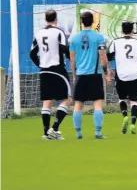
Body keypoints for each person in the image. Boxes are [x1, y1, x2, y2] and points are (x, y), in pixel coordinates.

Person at [29, 9, 72, 140]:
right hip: (57, 70)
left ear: (45, 19)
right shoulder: (59, 32)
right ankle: (55, 128)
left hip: (44, 71)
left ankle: (46, 132)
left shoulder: (38, 33)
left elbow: (32, 53)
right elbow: (66, 49)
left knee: (47, 102)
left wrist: (40, 64)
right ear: (56, 19)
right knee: (68, 99)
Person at [70, 11, 112, 139]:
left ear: (81, 22)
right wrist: (107, 73)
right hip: (94, 75)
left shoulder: (74, 39)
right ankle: (98, 133)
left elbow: (72, 59)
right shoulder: (98, 37)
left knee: (78, 104)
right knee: (98, 104)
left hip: (81, 75)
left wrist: (74, 75)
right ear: (93, 22)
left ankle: (78, 133)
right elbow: (103, 56)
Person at [107, 22, 137, 134]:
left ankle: (125, 116)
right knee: (135, 102)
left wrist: (109, 70)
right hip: (135, 76)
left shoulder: (115, 42)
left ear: (121, 32)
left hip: (121, 76)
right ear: (133, 32)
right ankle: (132, 123)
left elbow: (107, 56)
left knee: (122, 99)